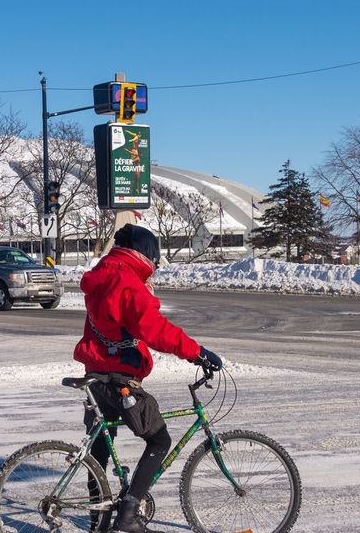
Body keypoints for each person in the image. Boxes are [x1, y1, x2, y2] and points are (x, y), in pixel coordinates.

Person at [74, 223, 223, 533]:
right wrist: (197, 352)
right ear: (144, 254)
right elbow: (154, 328)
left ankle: (98, 523)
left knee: (100, 448)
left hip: (96, 373)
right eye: (154, 258)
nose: (155, 266)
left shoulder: (104, 274)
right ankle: (128, 515)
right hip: (119, 378)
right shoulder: (126, 281)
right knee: (159, 439)